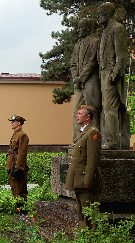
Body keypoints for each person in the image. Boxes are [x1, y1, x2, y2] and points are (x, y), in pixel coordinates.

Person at [65, 105, 103, 229]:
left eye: (80, 113)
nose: (77, 115)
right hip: (79, 180)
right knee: (82, 213)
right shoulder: (83, 132)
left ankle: (91, 237)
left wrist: (89, 179)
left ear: (88, 117)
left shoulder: (92, 132)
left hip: (86, 182)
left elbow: (93, 159)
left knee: (89, 214)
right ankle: (85, 237)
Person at [98, 2, 129, 150]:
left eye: (101, 13)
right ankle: (108, 139)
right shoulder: (104, 31)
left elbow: (122, 54)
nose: (99, 17)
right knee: (106, 108)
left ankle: (112, 141)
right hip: (103, 74)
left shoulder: (117, 28)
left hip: (111, 74)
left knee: (111, 107)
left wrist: (115, 73)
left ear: (108, 13)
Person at [70, 18, 101, 141]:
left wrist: (81, 78)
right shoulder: (77, 45)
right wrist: (76, 78)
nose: (79, 30)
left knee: (93, 111)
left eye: (81, 27)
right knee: (76, 113)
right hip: (79, 84)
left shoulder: (95, 42)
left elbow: (92, 62)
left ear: (88, 28)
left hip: (91, 83)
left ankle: (95, 139)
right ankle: (77, 140)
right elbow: (72, 64)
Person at [6, 115, 29, 215]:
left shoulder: (22, 135)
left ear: (19, 123)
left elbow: (22, 153)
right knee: (14, 188)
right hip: (13, 164)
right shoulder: (15, 134)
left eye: (13, 121)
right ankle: (18, 210)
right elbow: (12, 152)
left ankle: (22, 211)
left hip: (18, 166)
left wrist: (18, 167)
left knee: (20, 189)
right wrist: (9, 166)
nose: (11, 123)